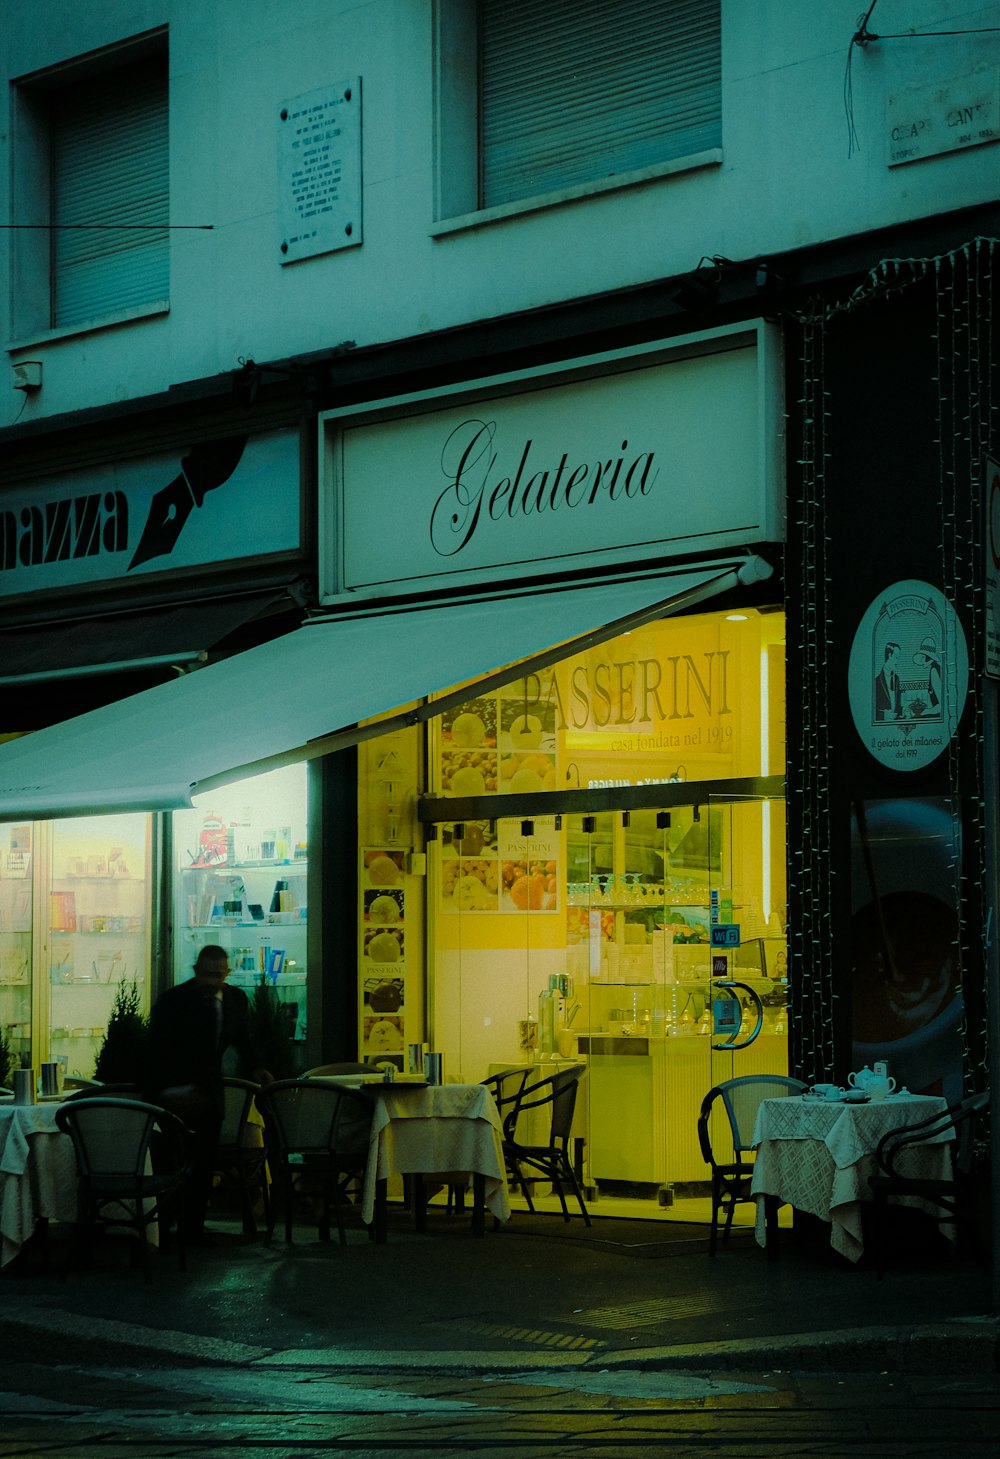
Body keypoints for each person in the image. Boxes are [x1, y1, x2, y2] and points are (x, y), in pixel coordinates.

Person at [145, 945, 263, 1244]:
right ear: (196, 971)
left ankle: (192, 1227)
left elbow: (243, 1039)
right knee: (172, 1158)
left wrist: (257, 1068)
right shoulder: (174, 1001)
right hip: (175, 1091)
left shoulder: (235, 1000)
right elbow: (157, 1050)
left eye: (218, 975)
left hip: (209, 1092)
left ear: (227, 974)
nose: (212, 982)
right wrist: (169, 1091)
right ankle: (167, 1224)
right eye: (207, 975)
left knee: (205, 1159)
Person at [874, 642, 902, 721]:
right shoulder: (876, 681)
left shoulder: (897, 679)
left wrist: (903, 711)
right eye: (896, 657)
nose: (897, 662)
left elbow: (898, 705)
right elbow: (870, 709)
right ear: (889, 656)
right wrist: (883, 715)